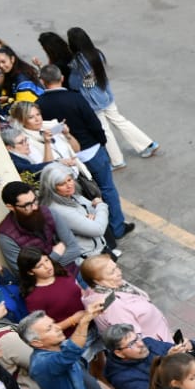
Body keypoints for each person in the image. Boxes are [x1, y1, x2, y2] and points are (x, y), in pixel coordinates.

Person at [34, 66, 128, 241]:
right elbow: (93, 123)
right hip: (91, 151)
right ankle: (117, 226)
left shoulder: (39, 105)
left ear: (42, 82)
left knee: (82, 194)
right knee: (106, 188)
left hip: (66, 159)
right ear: (61, 78)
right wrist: (101, 142)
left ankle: (101, 227)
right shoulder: (75, 98)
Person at [61, 27, 158, 164]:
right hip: (105, 94)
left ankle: (116, 160)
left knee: (105, 129)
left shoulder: (77, 63)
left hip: (92, 101)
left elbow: (74, 84)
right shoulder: (97, 54)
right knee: (120, 121)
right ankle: (147, 144)